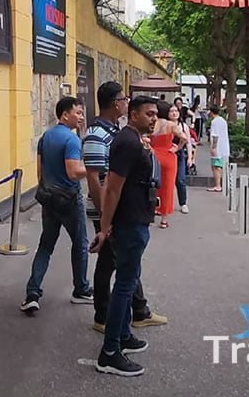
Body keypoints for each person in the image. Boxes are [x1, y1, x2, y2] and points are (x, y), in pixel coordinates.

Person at [83, 83, 167, 334]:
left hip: (118, 210)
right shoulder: (99, 133)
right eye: (122, 98)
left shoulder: (117, 132)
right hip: (110, 210)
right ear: (114, 103)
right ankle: (105, 317)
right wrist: (105, 220)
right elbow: (99, 180)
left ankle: (138, 311)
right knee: (111, 264)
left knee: (124, 265)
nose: (125, 101)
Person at [90, 96, 159, 377]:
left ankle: (124, 335)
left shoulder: (132, 139)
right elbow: (113, 188)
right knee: (124, 285)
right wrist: (105, 228)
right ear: (132, 115)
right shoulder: (128, 143)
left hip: (136, 221)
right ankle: (109, 353)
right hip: (129, 223)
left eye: (156, 114)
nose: (154, 118)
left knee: (128, 283)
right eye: (149, 114)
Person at [20, 97, 93, 313]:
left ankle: (32, 292)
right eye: (77, 113)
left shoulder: (46, 136)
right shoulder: (71, 140)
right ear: (64, 115)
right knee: (80, 244)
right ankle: (81, 289)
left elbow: (40, 172)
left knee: (46, 245)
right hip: (69, 199)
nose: (80, 117)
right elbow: (73, 172)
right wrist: (94, 168)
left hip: (48, 198)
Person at [150, 101, 182, 229]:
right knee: (168, 188)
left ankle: (151, 212)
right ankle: (164, 219)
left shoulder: (152, 124)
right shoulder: (171, 125)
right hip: (168, 156)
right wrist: (177, 148)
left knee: (153, 185)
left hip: (154, 156)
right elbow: (184, 137)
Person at [170, 104, 193, 213]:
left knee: (180, 180)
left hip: (179, 155)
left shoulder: (184, 127)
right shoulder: (165, 125)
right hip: (168, 154)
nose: (174, 113)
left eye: (176, 111)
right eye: (171, 111)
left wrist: (190, 158)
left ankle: (183, 203)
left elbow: (188, 143)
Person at [208, 104, 230, 192]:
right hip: (224, 147)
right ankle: (224, 184)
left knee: (215, 167)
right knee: (222, 166)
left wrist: (213, 148)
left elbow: (215, 135)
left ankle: (218, 185)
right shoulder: (223, 121)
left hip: (218, 148)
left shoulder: (214, 122)